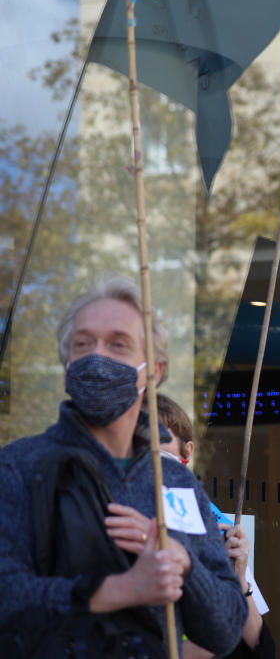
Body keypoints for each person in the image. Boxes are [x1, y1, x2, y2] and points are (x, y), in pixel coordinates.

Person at [0, 277, 248, 657]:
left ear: (154, 372)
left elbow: (227, 630)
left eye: (118, 344)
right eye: (83, 344)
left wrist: (184, 565)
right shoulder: (17, 467)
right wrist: (119, 589)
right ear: (67, 368)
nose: (98, 357)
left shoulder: (178, 483)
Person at [157, 394, 274, 659]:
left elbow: (261, 648)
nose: (149, 461)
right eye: (137, 448)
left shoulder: (216, 525)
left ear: (187, 453)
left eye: (160, 447)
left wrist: (238, 576)